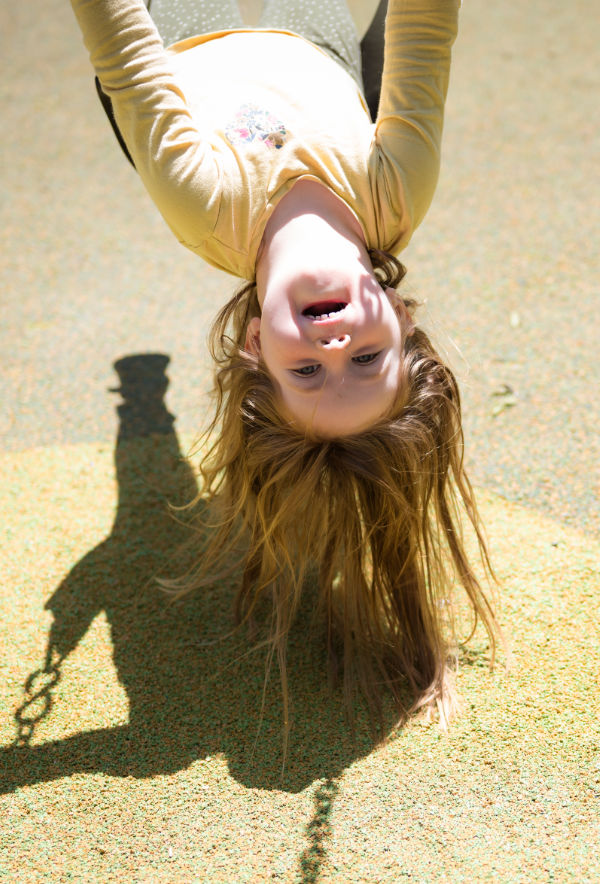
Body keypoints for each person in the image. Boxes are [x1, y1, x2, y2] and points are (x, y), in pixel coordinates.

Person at [69, 0, 499, 738]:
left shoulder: (205, 201)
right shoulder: (397, 188)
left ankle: (140, 402)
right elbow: (428, 28)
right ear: (398, 316)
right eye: (367, 359)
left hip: (183, 40)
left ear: (253, 348)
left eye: (305, 373)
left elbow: (125, 53)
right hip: (314, 41)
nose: (334, 351)